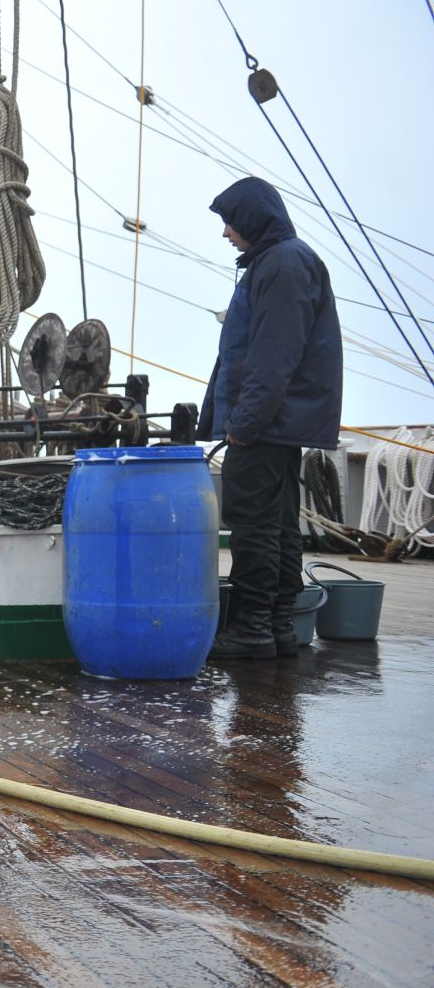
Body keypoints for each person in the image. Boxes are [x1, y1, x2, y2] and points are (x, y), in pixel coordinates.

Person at [199, 175, 343, 659]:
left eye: (230, 222)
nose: (226, 233)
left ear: (254, 220)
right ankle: (278, 626)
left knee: (254, 526)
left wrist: (242, 424)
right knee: (279, 526)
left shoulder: (281, 265)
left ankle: (252, 629)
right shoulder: (280, 262)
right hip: (279, 424)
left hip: (264, 425)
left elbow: (272, 357)